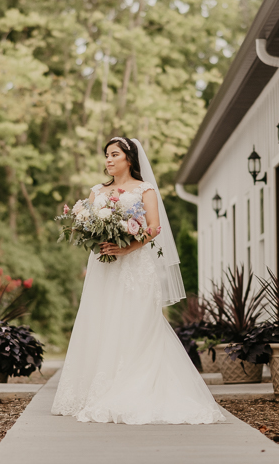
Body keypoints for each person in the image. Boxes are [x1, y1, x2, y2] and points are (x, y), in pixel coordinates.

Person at [51, 136, 225, 425]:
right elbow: (87, 227)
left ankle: (137, 387)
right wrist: (98, 240)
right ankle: (97, 388)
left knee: (138, 323)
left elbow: (154, 227)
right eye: (106, 155)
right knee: (103, 321)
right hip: (104, 267)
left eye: (114, 154)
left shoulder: (145, 190)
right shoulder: (97, 192)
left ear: (129, 159)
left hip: (135, 266)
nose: (108, 160)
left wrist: (126, 247)